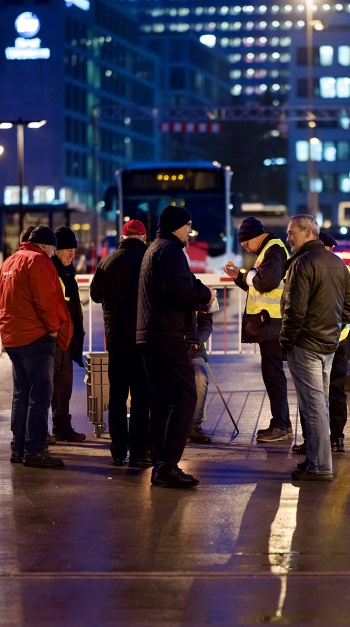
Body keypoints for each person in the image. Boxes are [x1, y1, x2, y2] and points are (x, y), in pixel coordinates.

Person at [138, 205, 213, 488]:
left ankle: (160, 463)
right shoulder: (171, 251)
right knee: (184, 398)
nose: (190, 231)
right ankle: (168, 465)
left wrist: (197, 288)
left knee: (161, 401)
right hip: (169, 336)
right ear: (176, 226)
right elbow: (179, 289)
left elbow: (179, 283)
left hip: (152, 336)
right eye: (188, 225)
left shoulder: (155, 248)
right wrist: (204, 295)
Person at [280, 215, 350, 481]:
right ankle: (316, 460)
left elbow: (294, 310)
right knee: (320, 406)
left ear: (308, 232)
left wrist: (286, 342)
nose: (288, 238)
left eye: (291, 233)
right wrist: (332, 329)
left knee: (313, 408)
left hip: (305, 346)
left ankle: (320, 466)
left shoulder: (302, 263)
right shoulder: (338, 264)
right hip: (329, 346)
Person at [0, 226, 73, 469]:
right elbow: (45, 300)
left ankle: (18, 448)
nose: (53, 253)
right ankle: (35, 450)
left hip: (12, 337)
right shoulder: (38, 261)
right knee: (40, 394)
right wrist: (53, 330)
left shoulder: (9, 262)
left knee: (22, 394)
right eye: (53, 248)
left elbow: (2, 299)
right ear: (45, 245)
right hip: (35, 336)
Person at [223, 217, 291, 443]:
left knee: (273, 375)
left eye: (246, 244)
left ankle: (279, 425)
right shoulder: (268, 251)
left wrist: (250, 274)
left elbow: (264, 283)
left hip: (273, 323)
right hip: (269, 323)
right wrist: (239, 277)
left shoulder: (273, 250)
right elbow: (258, 286)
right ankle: (284, 423)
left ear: (256, 236)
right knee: (273, 374)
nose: (246, 248)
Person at [90, 219, 151, 466]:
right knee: (141, 398)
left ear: (123, 238)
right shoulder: (148, 261)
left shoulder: (108, 261)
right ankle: (139, 452)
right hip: (143, 340)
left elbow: (95, 295)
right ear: (144, 238)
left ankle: (118, 451)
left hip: (116, 340)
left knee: (117, 397)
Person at [49, 227, 86, 444]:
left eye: (74, 249)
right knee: (49, 387)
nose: (72, 253)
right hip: (54, 337)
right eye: (67, 249)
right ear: (56, 249)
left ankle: (62, 428)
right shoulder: (51, 270)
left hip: (67, 337)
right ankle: (42, 431)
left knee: (64, 386)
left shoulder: (69, 272)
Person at [189, 308, 214, 444]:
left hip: (194, 348)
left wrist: (197, 341)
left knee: (201, 377)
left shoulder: (200, 297)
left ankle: (194, 425)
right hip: (171, 347)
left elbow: (206, 324)